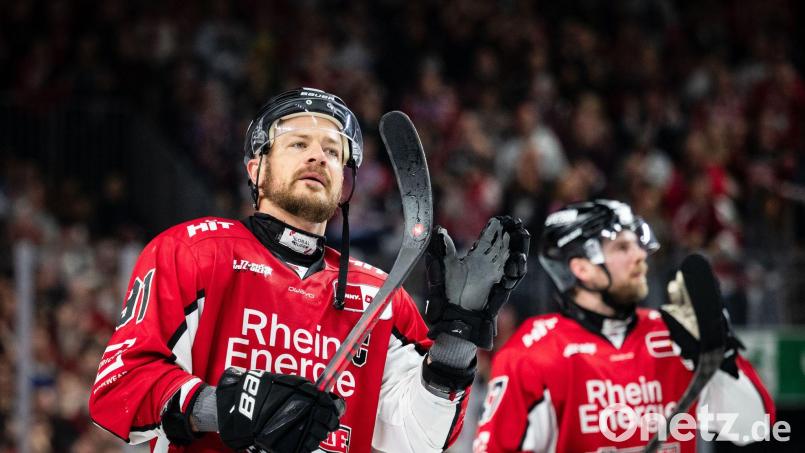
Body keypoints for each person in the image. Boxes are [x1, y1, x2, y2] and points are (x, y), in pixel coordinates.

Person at [88, 87, 529, 453]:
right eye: (298, 144)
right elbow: (119, 387)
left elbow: (419, 440)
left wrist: (457, 339)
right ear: (255, 168)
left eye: (333, 151)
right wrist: (227, 408)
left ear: (344, 186)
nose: (318, 156)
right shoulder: (195, 252)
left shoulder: (382, 299)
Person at [474, 199, 774, 453]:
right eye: (622, 247)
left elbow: (755, 427)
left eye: (638, 245)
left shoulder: (675, 335)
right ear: (582, 268)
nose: (641, 256)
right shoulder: (532, 353)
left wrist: (717, 354)